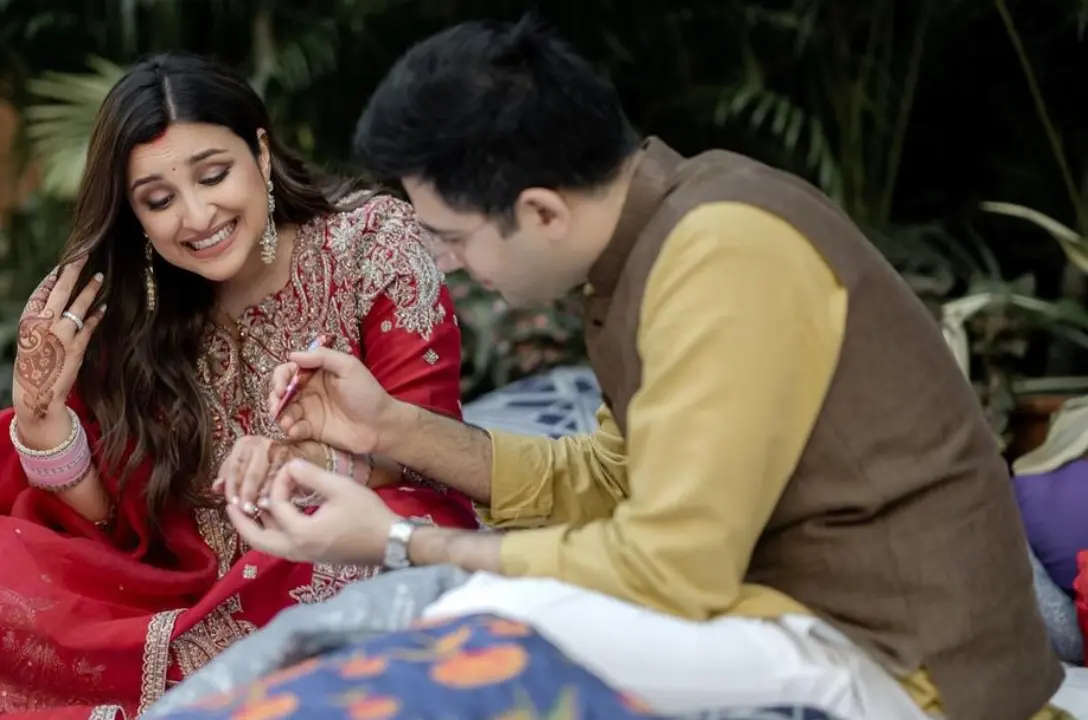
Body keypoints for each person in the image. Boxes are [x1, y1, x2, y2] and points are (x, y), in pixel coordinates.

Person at [224, 18, 1069, 720]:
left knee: (480, 623)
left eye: (451, 237)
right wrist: (391, 428)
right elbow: (609, 479)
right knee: (458, 613)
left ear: (541, 211)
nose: (444, 263)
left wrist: (401, 541)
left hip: (907, 667)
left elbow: (674, 564)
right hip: (811, 617)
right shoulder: (663, 241)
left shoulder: (721, 255)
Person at [0, 52, 478, 719]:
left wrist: (304, 463)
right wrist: (42, 421)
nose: (197, 216)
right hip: (171, 592)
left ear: (260, 153)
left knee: (356, 565)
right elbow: (113, 524)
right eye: (159, 200)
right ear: (135, 215)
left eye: (214, 175)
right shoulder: (136, 308)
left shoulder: (369, 245)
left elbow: (429, 454)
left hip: (330, 543)